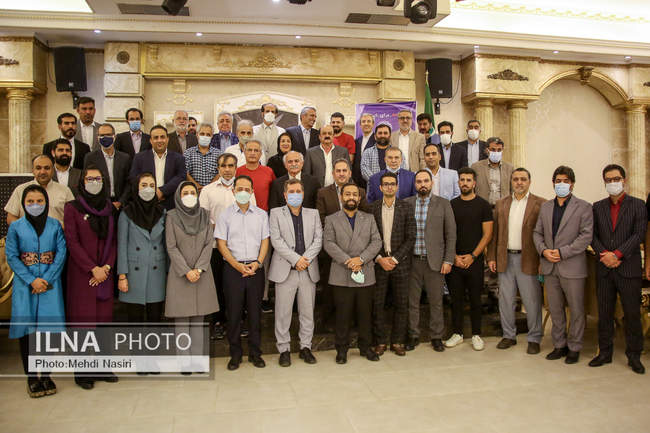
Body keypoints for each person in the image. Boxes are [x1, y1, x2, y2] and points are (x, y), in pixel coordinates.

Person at [5, 184, 66, 397]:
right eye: (30, 201)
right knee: (27, 332)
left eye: (39, 201)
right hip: (25, 285)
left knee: (49, 332)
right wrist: (32, 280)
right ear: (23, 203)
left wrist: (45, 280)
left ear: (46, 202)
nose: (35, 205)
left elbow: (61, 254)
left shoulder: (55, 225)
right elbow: (12, 255)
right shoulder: (16, 227)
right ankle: (32, 377)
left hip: (50, 284)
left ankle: (47, 375)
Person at [64, 167, 119, 389]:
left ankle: (103, 366)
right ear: (82, 181)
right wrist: (92, 268)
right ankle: (83, 372)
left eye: (98, 178)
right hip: (82, 275)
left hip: (104, 273)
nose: (94, 182)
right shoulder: (73, 208)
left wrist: (106, 267)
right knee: (83, 323)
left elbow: (114, 241)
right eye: (90, 178)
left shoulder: (108, 208)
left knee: (104, 322)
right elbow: (72, 241)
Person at [589, 164, 646, 374]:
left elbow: (638, 234)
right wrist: (605, 254)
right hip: (605, 268)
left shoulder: (638, 205)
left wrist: (618, 254)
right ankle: (604, 353)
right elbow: (592, 235)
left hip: (628, 268)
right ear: (604, 182)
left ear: (624, 180)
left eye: (616, 179)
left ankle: (634, 355)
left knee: (632, 314)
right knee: (604, 314)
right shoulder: (597, 207)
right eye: (609, 180)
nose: (613, 183)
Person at [533, 165, 593, 365]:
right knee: (555, 308)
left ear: (572, 184)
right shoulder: (546, 207)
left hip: (572, 266)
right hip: (549, 266)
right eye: (558, 181)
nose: (561, 184)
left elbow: (585, 236)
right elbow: (537, 233)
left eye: (566, 181)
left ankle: (574, 347)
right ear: (553, 183)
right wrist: (543, 250)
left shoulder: (583, 207)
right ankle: (559, 345)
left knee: (576, 309)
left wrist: (562, 252)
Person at [487, 168, 545, 354]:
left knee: (532, 301)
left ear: (529, 182)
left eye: (523, 179)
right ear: (511, 182)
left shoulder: (540, 204)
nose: (519, 182)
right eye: (515, 179)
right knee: (506, 300)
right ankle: (508, 335)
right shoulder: (501, 204)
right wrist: (491, 256)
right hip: (505, 258)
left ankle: (534, 338)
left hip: (528, 259)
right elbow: (495, 233)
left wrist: (542, 260)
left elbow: (544, 235)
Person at [199, 153, 257, 340]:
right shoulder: (208, 191)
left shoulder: (244, 190)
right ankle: (218, 322)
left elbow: (252, 215)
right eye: (223, 166)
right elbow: (203, 220)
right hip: (215, 247)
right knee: (217, 286)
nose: (227, 169)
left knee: (239, 287)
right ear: (218, 168)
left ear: (236, 167)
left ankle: (239, 321)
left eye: (231, 165)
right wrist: (221, 227)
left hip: (240, 248)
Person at [215, 175, 270, 371]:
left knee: (255, 314)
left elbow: (265, 241)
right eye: (240, 189)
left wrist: (258, 263)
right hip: (233, 270)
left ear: (252, 192)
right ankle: (235, 355)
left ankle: (256, 353)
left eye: (247, 189)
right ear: (233, 191)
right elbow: (221, 244)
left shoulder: (261, 215)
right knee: (234, 313)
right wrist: (237, 265)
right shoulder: (225, 215)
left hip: (255, 269)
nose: (243, 192)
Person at [324, 182, 382, 363]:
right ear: (341, 197)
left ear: (359, 198)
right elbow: (328, 243)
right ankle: (342, 350)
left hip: (365, 272)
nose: (351, 197)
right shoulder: (331, 219)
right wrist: (348, 261)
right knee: (343, 315)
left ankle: (366, 348)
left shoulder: (369, 218)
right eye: (347, 194)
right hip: (341, 273)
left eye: (354, 194)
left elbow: (376, 242)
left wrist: (361, 259)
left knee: (365, 314)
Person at [165, 182, 219, 375]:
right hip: (180, 275)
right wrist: (187, 270)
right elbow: (171, 246)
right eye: (185, 193)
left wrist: (199, 268)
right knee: (182, 320)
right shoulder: (171, 216)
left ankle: (198, 360)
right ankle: (184, 362)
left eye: (192, 192)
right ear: (179, 196)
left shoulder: (205, 215)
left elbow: (208, 243)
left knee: (199, 320)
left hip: (202, 273)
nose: (189, 195)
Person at [117, 172, 167, 375]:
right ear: (137, 188)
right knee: (135, 320)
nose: (148, 189)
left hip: (157, 270)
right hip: (133, 273)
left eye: (151, 185)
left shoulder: (162, 212)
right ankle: (138, 360)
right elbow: (121, 245)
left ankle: (152, 360)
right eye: (144, 185)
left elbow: (165, 244)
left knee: (155, 319)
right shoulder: (127, 213)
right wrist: (122, 275)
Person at [269, 179, 322, 366]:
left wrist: (304, 259)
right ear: (285, 195)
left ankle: (305, 347)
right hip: (285, 271)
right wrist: (296, 260)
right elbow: (276, 240)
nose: (295, 194)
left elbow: (318, 239)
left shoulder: (313, 214)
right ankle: (283, 349)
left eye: (298, 191)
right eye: (291, 191)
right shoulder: (276, 213)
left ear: (303, 194)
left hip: (308, 270)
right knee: (282, 313)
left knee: (307, 312)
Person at [405, 170, 456, 352]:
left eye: (426, 181)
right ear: (415, 184)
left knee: (436, 301)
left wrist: (448, 260)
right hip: (412, 261)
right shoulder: (406, 204)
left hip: (435, 261)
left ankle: (436, 337)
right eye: (419, 181)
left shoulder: (443, 204)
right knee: (412, 302)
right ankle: (413, 335)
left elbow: (451, 234)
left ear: (432, 183)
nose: (422, 184)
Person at [445, 167, 493, 351]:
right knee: (456, 300)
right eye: (462, 180)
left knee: (475, 299)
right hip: (455, 260)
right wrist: (454, 256)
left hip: (475, 261)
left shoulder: (483, 205)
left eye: (468, 180)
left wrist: (473, 256)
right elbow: (446, 233)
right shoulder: (451, 205)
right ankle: (457, 333)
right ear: (458, 182)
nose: (464, 183)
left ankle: (476, 335)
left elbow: (487, 234)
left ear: (474, 183)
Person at [370, 172, 415, 356]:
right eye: (386, 184)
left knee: (401, 304)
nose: (389, 187)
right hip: (379, 263)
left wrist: (395, 259)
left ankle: (397, 341)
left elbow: (411, 237)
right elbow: (368, 237)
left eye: (392, 184)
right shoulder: (372, 208)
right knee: (377, 304)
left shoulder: (406, 207)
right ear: (380, 188)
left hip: (400, 263)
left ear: (397, 187)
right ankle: (380, 342)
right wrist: (380, 258)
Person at [5, 155, 74, 226]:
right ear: (33, 170)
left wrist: (56, 229)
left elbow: (73, 219)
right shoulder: (20, 190)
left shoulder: (65, 191)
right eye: (38, 168)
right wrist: (27, 230)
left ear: (53, 170)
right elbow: (11, 218)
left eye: (47, 168)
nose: (43, 172)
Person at [129, 125, 186, 210]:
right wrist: (150, 191)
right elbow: (133, 177)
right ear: (151, 141)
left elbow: (181, 176)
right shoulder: (139, 158)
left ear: (167, 139)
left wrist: (162, 191)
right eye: (156, 138)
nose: (159, 140)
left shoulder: (178, 158)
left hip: (170, 203)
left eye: (162, 137)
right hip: (145, 203)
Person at [84, 123, 132, 210]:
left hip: (121, 205)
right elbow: (87, 182)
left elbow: (129, 182)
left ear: (114, 137)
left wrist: (121, 202)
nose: (105, 138)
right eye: (102, 135)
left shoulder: (125, 158)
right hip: (99, 205)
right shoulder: (90, 158)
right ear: (97, 138)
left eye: (108, 135)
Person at [235, 140, 276, 212]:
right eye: (249, 150)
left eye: (256, 150)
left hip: (263, 214)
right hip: (241, 212)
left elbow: (274, 194)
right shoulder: (237, 171)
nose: (252, 153)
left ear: (260, 154)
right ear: (244, 152)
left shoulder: (269, 171)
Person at [472, 137, 513, 206]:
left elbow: (512, 190)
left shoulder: (509, 168)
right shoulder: (476, 167)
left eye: (499, 150)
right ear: (487, 150)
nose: (496, 152)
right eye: (493, 150)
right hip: (482, 206)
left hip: (503, 207)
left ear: (502, 150)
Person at [184, 123, 221, 191]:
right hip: (194, 191)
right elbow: (185, 173)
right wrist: (196, 186)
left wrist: (208, 188)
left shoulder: (219, 154)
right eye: (202, 134)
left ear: (212, 136)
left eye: (208, 134)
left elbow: (220, 172)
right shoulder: (188, 153)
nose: (205, 136)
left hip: (213, 191)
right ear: (197, 135)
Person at [352, 112, 376, 188]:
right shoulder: (356, 141)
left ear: (373, 124)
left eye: (368, 121)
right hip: (357, 181)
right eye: (363, 121)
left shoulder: (377, 141)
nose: (366, 124)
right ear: (360, 125)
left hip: (372, 180)